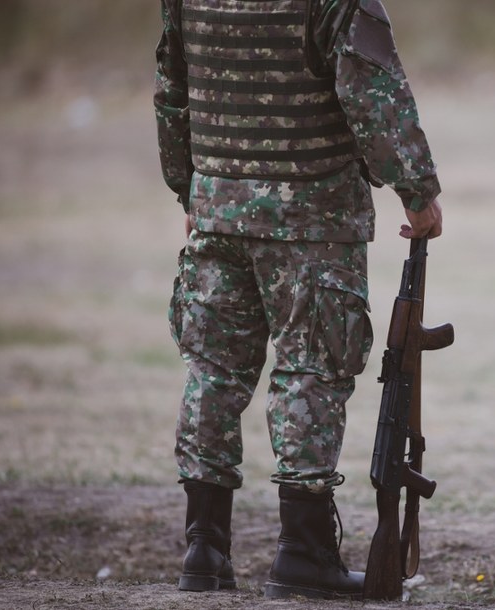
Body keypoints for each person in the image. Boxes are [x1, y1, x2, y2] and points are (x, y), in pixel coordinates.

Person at [153, 0, 443, 600]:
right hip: (313, 213)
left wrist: (191, 188)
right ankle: (304, 552)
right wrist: (418, 192)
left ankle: (203, 548)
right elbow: (371, 87)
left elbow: (171, 82)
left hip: (218, 206)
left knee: (212, 373)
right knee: (311, 370)